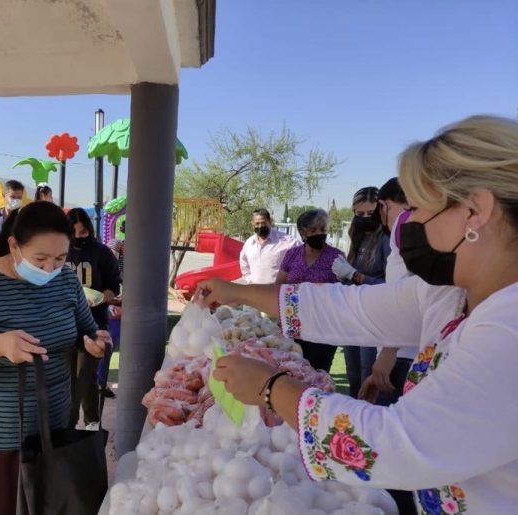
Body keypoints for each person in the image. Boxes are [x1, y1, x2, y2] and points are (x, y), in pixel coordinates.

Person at [201, 115, 518, 514]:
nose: (409, 223)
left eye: (421, 207)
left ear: (475, 211)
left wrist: (273, 389)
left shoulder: (510, 328)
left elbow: (397, 443)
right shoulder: (450, 295)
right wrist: (238, 292)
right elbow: (349, 308)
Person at [0, 201, 110, 514]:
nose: (50, 269)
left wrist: (95, 344)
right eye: (40, 258)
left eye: (59, 258)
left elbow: (87, 332)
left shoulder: (67, 281)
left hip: (54, 433)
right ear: (14, 245)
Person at [359, 178, 416, 406]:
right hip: (416, 351)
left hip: (402, 355)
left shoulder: (404, 223)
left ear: (384, 205)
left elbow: (405, 295)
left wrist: (388, 351)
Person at [331, 187, 391, 398]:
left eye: (370, 213)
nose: (365, 218)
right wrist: (343, 276)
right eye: (359, 214)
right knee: (352, 371)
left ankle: (367, 416)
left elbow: (390, 286)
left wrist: (356, 276)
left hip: (373, 316)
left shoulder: (386, 240)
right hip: (352, 313)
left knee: (368, 370)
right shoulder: (357, 238)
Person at [66, 208, 121, 422]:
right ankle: (68, 428)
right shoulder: (59, 251)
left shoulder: (102, 252)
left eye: (83, 233)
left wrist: (100, 297)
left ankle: (90, 427)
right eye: (74, 233)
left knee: (86, 379)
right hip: (64, 324)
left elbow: (113, 287)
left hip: (93, 323)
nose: (79, 237)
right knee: (66, 379)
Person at [275, 208, 344, 372]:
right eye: (313, 230)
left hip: (323, 325)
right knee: (292, 369)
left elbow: (343, 292)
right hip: (292, 322)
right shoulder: (292, 254)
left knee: (318, 372)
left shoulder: (336, 256)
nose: (319, 233)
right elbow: (278, 285)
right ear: (303, 233)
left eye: (322, 229)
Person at [240, 207, 298, 284]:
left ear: (269, 222)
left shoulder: (287, 241)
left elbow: (302, 258)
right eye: (257, 223)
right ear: (252, 224)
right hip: (255, 290)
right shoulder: (249, 243)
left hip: (277, 291)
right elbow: (244, 263)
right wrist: (250, 280)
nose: (260, 226)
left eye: (263, 223)